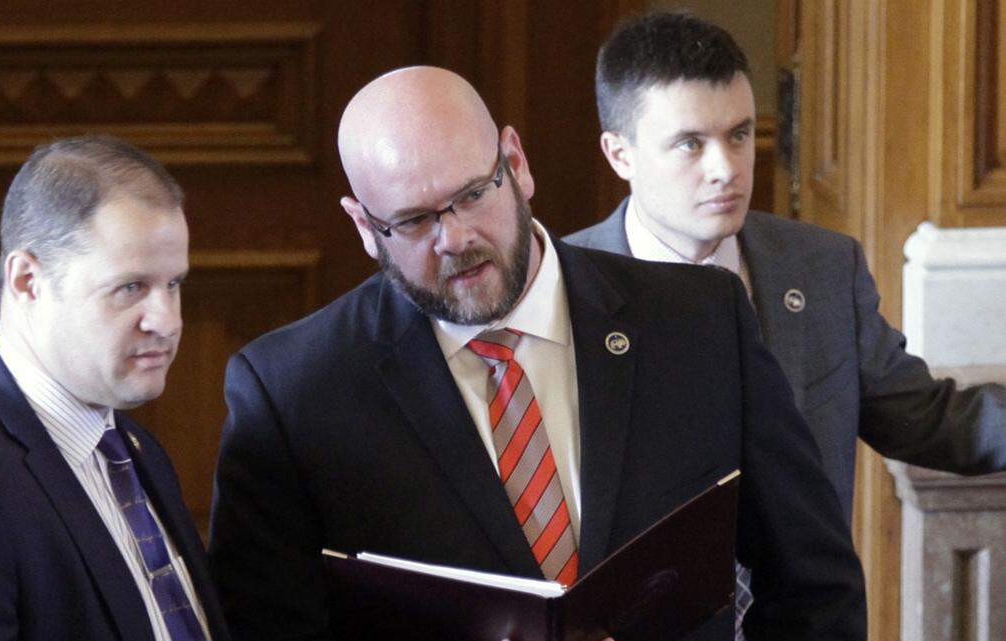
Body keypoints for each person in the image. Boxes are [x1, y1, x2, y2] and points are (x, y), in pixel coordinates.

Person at [209, 66, 865, 641]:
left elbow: (814, 583)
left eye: (473, 194)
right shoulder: (293, 392)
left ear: (516, 164)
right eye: (412, 220)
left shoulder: (699, 322)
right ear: (363, 225)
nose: (454, 238)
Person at [566, 11, 1006, 525]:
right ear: (620, 154)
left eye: (739, 135)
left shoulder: (822, 269)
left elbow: (930, 420)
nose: (726, 169)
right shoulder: (566, 289)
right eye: (691, 144)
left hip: (805, 579)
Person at [0, 136, 230, 641]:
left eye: (173, 284)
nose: (166, 321)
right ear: (27, 281)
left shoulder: (132, 447)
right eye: (130, 287)